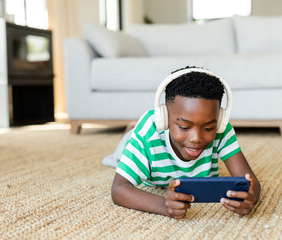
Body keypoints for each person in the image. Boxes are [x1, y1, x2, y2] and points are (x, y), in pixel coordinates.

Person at [105, 66, 261, 219]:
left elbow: (250, 182)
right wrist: (164, 206)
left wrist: (250, 197)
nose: (196, 138)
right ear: (164, 118)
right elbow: (119, 189)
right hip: (137, 141)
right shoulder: (148, 133)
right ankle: (129, 131)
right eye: (184, 127)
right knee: (121, 152)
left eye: (208, 128)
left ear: (219, 121)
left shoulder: (222, 129)